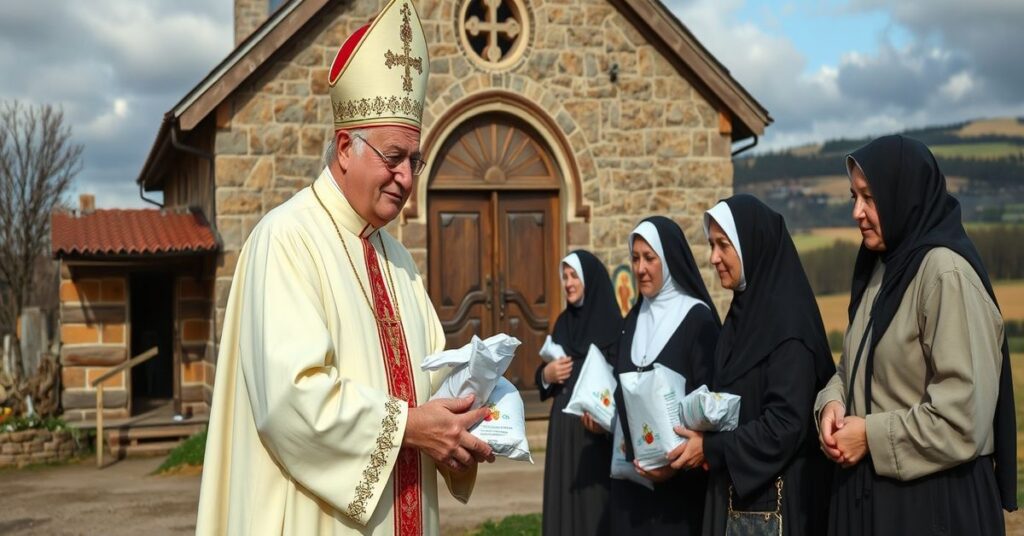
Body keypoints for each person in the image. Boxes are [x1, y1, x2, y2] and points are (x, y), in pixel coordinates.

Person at [195, 1, 494, 533]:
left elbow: (433, 385)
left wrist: (464, 425)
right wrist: (409, 426)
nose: (406, 177)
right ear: (344, 148)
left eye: (414, 162)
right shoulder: (287, 240)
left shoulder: (398, 260)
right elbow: (293, 399)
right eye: (393, 157)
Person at [815, 135, 1016, 535]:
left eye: (869, 198)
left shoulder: (944, 275)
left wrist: (869, 437)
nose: (856, 212)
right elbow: (850, 367)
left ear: (902, 195)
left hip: (935, 509)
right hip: (878, 504)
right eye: (854, 196)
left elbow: (963, 418)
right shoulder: (881, 269)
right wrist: (831, 405)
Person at [674, 194, 834, 535]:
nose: (713, 258)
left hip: (778, 506)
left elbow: (785, 424)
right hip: (735, 494)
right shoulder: (742, 316)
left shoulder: (789, 325)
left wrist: (711, 448)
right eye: (711, 245)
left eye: (722, 245)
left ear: (751, 246)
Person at [610, 216, 720, 535]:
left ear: (668, 260)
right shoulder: (632, 319)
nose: (641, 268)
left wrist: (676, 465)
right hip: (633, 487)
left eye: (649, 258)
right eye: (635, 258)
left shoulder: (697, 320)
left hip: (681, 490)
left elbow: (710, 399)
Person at [535, 251, 623, 536]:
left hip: (593, 435)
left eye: (574, 276)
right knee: (564, 504)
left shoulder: (613, 326)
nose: (568, 283)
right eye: (565, 276)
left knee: (592, 506)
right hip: (563, 432)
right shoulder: (563, 322)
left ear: (590, 279)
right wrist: (546, 375)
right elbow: (544, 373)